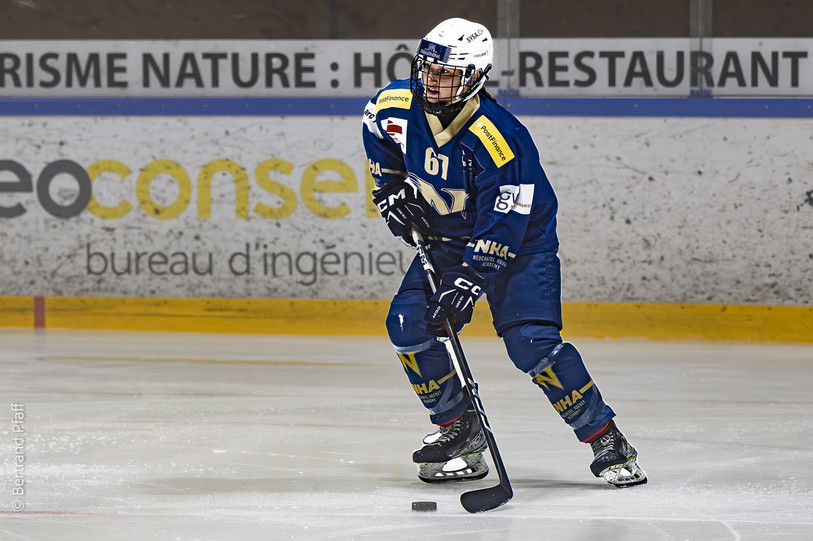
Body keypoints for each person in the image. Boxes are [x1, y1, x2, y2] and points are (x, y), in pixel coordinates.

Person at [362, 17, 647, 488]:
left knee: (530, 342)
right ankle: (460, 430)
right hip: (448, 240)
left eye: (447, 74)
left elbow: (506, 222)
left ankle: (605, 436)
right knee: (407, 325)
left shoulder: (498, 138)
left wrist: (468, 281)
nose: (433, 81)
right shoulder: (392, 103)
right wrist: (390, 192)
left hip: (522, 247)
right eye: (428, 69)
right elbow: (379, 139)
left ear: (475, 76)